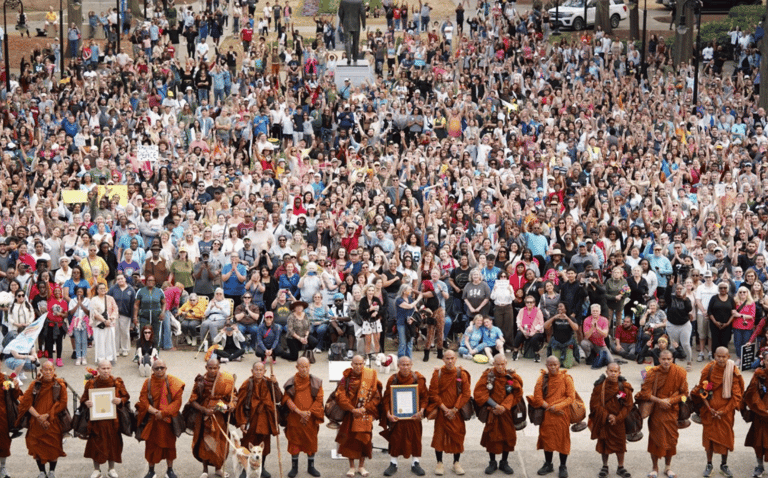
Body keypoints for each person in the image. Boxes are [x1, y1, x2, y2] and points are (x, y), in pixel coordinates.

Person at [635, 349, 689, 478]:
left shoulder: (680, 372)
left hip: (672, 411)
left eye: (669, 359)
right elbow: (645, 393)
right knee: (655, 440)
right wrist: (660, 401)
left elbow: (684, 394)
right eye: (663, 359)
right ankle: (654, 468)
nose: (666, 361)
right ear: (659, 360)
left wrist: (670, 401)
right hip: (657, 412)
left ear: (672, 359)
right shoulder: (652, 372)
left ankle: (668, 467)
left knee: (671, 439)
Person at [693, 347, 743, 478]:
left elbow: (737, 396)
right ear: (714, 356)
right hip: (709, 411)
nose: (721, 359)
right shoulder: (708, 369)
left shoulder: (732, 371)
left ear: (728, 357)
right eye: (718, 356)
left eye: (724, 357)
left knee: (725, 438)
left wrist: (723, 411)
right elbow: (701, 390)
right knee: (708, 439)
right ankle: (709, 464)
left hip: (725, 413)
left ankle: (724, 465)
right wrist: (709, 408)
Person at [16, 360, 68, 478]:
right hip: (36, 421)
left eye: (51, 370)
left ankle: (52, 472)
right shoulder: (35, 385)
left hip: (53, 421)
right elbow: (25, 403)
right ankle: (41, 471)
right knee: (37, 446)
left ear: (54, 370)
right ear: (41, 371)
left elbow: (63, 403)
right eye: (46, 370)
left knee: (54, 446)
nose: (48, 372)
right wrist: (38, 416)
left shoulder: (60, 385)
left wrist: (48, 415)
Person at [473, 354, 523, 475]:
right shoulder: (488, 375)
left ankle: (504, 462)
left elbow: (517, 393)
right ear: (493, 364)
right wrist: (496, 406)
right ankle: (492, 462)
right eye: (498, 364)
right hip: (493, 412)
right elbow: (480, 393)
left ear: (506, 363)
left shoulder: (511, 376)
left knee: (508, 437)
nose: (500, 367)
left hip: (507, 413)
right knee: (492, 437)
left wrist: (504, 407)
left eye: (502, 364)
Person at [135, 359, 184, 478]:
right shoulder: (148, 382)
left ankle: (170, 470)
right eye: (157, 368)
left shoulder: (173, 382)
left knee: (170, 446)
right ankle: (151, 471)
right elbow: (143, 399)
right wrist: (154, 411)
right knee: (151, 447)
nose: (160, 370)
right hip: (153, 420)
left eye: (162, 367)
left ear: (166, 369)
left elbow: (177, 401)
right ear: (152, 369)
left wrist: (164, 413)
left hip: (167, 420)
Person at [335, 354, 382, 477]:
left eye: (360, 363)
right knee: (350, 440)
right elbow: (340, 396)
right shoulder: (346, 378)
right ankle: (351, 467)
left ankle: (361, 466)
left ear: (364, 364)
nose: (358, 366)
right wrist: (352, 409)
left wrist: (365, 408)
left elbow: (376, 396)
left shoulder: (370, 376)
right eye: (355, 363)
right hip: (351, 414)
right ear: (351, 364)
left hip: (365, 413)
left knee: (364, 440)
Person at [188, 358, 235, 478]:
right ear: (206, 368)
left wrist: (230, 406)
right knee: (205, 443)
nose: (213, 370)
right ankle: (205, 470)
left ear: (219, 368)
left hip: (220, 417)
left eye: (215, 368)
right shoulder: (200, 381)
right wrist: (204, 410)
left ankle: (219, 468)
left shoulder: (227, 380)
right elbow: (192, 400)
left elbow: (233, 397)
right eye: (210, 368)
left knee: (219, 443)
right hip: (204, 417)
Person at [82, 360, 130, 478]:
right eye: (103, 368)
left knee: (113, 444)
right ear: (98, 369)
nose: (106, 371)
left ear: (111, 369)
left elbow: (126, 396)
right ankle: (96, 470)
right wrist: (86, 402)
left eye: (108, 368)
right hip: (96, 421)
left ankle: (111, 469)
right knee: (95, 444)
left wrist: (120, 401)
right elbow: (83, 398)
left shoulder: (117, 382)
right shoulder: (91, 383)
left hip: (113, 420)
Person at [381, 356, 427, 477]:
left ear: (411, 365)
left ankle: (415, 463)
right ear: (398, 366)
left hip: (414, 417)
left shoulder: (418, 378)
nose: (405, 367)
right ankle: (393, 463)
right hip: (397, 417)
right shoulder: (393, 379)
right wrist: (388, 414)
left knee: (415, 438)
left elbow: (424, 397)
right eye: (403, 365)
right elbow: (386, 399)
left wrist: (421, 411)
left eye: (408, 365)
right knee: (395, 439)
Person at [234, 361, 282, 478]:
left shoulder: (269, 383)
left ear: (265, 371)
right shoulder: (247, 384)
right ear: (252, 371)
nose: (259, 372)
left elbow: (278, 398)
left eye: (261, 370)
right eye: (256, 370)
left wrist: (275, 383)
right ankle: (246, 468)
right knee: (247, 443)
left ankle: (262, 467)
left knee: (263, 444)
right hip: (251, 418)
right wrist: (242, 422)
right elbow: (240, 403)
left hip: (266, 419)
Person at [426, 350, 471, 476]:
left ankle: (456, 463)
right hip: (442, 411)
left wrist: (455, 409)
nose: (450, 361)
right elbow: (433, 393)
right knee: (439, 437)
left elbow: (466, 393)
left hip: (457, 411)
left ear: (456, 359)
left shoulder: (461, 374)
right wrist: (445, 409)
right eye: (447, 358)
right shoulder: (438, 374)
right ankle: (439, 463)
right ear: (443, 359)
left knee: (458, 436)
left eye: (452, 358)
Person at [529, 355, 575, 478]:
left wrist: (558, 406)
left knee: (562, 440)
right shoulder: (542, 379)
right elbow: (538, 398)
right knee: (547, 439)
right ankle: (548, 464)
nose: (553, 367)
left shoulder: (566, 378)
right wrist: (551, 408)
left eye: (555, 364)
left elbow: (571, 397)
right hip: (548, 414)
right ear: (546, 366)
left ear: (559, 365)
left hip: (562, 415)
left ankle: (563, 466)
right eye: (550, 365)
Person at [588, 362, 634, 478]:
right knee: (604, 443)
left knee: (620, 444)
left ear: (619, 373)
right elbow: (594, 405)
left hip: (619, 421)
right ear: (606, 372)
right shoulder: (600, 386)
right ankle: (605, 466)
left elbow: (628, 405)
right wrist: (608, 416)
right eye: (611, 371)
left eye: (615, 371)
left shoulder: (623, 387)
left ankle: (620, 467)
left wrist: (617, 418)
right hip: (604, 420)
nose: (613, 374)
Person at [281, 356, 323, 478]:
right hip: (295, 417)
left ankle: (311, 466)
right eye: (301, 367)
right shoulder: (292, 382)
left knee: (311, 441)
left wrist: (309, 412)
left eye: (306, 367)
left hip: (310, 418)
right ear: (297, 367)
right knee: (294, 441)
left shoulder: (316, 382)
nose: (304, 369)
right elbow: (286, 399)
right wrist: (299, 411)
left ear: (309, 367)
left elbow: (319, 399)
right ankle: (294, 467)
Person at [745, 350, 768, 477]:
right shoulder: (759, 375)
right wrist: (763, 410)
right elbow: (751, 394)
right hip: (761, 414)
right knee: (759, 441)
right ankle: (760, 466)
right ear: (763, 361)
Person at [89, 282, 119, 365]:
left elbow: (115, 309)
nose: (103, 290)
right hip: (99, 324)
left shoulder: (110, 298)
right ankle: (101, 359)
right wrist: (104, 321)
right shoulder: (94, 299)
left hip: (110, 323)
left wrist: (110, 319)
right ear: (97, 290)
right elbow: (93, 313)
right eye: (101, 288)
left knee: (110, 341)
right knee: (100, 341)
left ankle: (109, 358)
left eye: (104, 288)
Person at [134, 276, 166, 349]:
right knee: (142, 334)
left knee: (156, 335)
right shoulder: (141, 291)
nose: (150, 282)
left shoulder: (159, 291)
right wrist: (135, 317)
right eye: (148, 280)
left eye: (152, 280)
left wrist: (163, 312)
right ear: (146, 281)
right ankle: (139, 354)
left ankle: (155, 354)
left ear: (155, 282)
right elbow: (136, 305)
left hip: (157, 316)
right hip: (144, 316)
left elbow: (164, 303)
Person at [511, 295, 545, 362]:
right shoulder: (522, 310)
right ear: (525, 303)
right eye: (527, 302)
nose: (529, 304)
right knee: (519, 334)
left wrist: (533, 332)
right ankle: (515, 351)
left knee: (534, 338)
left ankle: (536, 354)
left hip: (536, 331)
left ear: (534, 303)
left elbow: (541, 323)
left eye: (531, 302)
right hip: (524, 330)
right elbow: (518, 322)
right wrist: (523, 331)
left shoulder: (538, 311)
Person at [581, 304, 614, 369]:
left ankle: (598, 356)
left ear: (600, 312)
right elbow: (586, 336)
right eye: (593, 311)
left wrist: (597, 328)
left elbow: (605, 335)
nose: (595, 312)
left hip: (601, 344)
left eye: (596, 311)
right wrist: (592, 327)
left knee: (611, 361)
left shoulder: (604, 320)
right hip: (591, 343)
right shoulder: (587, 320)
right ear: (591, 312)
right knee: (583, 343)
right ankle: (589, 356)